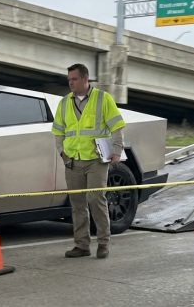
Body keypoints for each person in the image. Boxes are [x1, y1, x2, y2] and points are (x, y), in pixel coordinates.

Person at [51, 63, 125, 258]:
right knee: (77, 204)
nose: (71, 83)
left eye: (74, 79)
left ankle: (103, 243)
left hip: (96, 160)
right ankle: (82, 245)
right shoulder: (64, 102)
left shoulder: (103, 99)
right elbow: (58, 131)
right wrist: (62, 154)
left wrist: (117, 150)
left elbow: (117, 126)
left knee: (95, 199)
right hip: (72, 161)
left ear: (85, 79)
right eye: (69, 80)